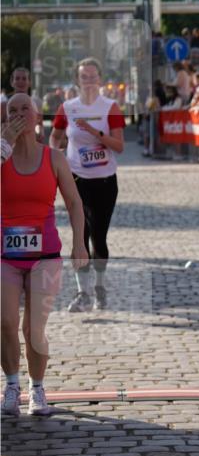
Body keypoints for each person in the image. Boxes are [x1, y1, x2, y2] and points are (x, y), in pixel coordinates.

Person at [1, 93, 88, 417]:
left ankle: (37, 388)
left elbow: (75, 203)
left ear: (37, 117)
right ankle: (11, 385)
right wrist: (3, 144)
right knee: (5, 322)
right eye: (13, 110)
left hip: (45, 255)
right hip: (4, 256)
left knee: (33, 328)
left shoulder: (53, 158)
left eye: (26, 108)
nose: (19, 114)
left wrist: (80, 243)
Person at [49, 57, 125, 312]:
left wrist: (94, 133)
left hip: (104, 181)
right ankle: (82, 293)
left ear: (100, 79)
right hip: (76, 181)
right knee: (79, 236)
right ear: (77, 80)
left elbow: (119, 146)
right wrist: (55, 157)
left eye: (93, 76)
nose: (89, 81)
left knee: (98, 237)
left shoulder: (110, 107)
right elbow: (55, 137)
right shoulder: (67, 107)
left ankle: (100, 287)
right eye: (84, 77)